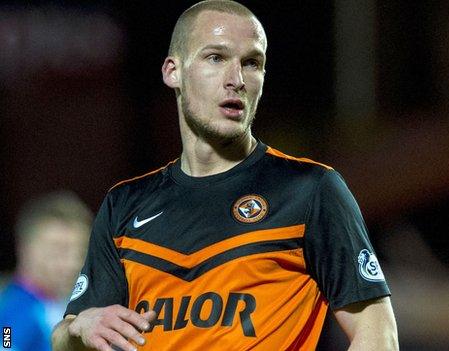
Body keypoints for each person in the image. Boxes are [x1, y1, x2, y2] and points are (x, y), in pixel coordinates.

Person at [51, 1, 398, 350]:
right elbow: (63, 339)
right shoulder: (124, 205)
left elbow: (377, 332)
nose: (236, 80)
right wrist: (81, 325)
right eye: (216, 58)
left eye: (252, 63)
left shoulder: (309, 191)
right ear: (173, 72)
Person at [0, 191, 92, 351]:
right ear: (25, 249)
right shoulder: (14, 314)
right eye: (58, 250)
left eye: (81, 252)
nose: (73, 263)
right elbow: (6, 344)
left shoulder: (66, 305)